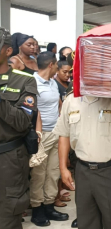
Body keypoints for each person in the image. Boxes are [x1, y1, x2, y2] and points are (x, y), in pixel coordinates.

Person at [54, 88, 111, 229]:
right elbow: (64, 135)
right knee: (86, 221)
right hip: (83, 170)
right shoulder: (71, 100)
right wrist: (63, 168)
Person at [0, 27, 39, 229]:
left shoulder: (24, 80)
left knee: (8, 216)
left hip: (8, 159)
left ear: (7, 51)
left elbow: (24, 122)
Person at [30, 52, 69, 226]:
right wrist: (37, 134)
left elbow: (58, 103)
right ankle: (37, 208)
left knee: (53, 172)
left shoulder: (53, 83)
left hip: (56, 132)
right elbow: (33, 110)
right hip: (41, 134)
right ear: (51, 65)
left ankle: (49, 205)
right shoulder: (32, 83)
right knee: (39, 173)